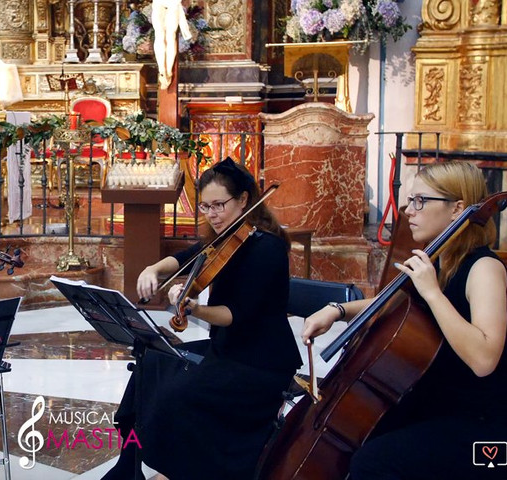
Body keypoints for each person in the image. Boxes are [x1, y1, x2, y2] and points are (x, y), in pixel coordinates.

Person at [302, 161, 507, 479]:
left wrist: (433, 293)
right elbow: (397, 302)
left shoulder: (484, 269)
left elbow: (484, 358)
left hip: (480, 428)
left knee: (374, 463)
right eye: (410, 200)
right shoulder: (439, 259)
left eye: (420, 201)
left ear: (458, 209)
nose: (408, 210)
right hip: (434, 405)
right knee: (358, 439)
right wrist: (338, 311)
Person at [103, 158, 302, 480]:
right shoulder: (224, 238)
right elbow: (183, 258)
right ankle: (130, 465)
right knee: (149, 364)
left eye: (219, 205)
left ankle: (184, 469)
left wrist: (193, 308)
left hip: (260, 361)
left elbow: (235, 316)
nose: (212, 214)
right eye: (206, 207)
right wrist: (153, 269)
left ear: (243, 200)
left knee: (177, 396)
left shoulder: (268, 248)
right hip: (229, 348)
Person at [151, 0, 193, 90]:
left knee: (163, 37)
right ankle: (165, 70)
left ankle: (165, 70)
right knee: (166, 37)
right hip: (167, 4)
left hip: (169, 4)